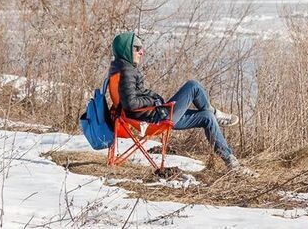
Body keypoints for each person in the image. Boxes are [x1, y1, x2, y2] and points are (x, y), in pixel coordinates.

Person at [107, 31, 251, 172]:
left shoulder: (120, 69)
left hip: (152, 116)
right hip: (154, 119)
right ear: (126, 49)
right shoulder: (127, 71)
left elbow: (130, 100)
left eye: (141, 48)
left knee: (207, 117)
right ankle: (216, 113)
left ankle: (231, 162)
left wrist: (154, 100)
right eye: (137, 48)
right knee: (193, 86)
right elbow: (130, 103)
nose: (141, 52)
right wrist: (153, 100)